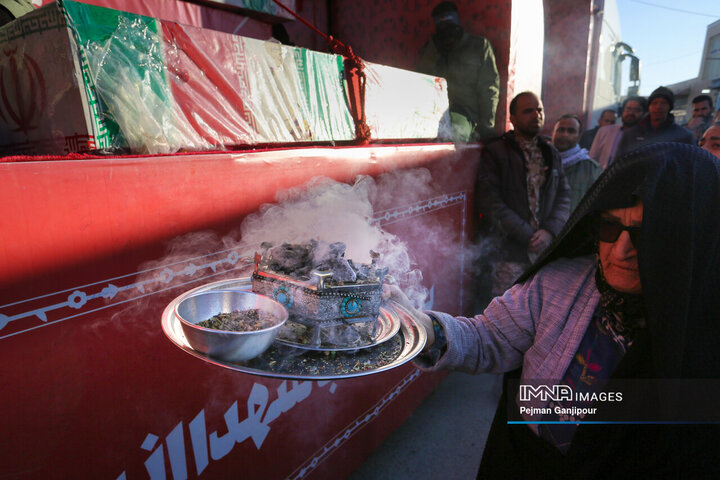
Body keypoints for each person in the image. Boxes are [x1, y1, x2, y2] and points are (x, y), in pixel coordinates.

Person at [387, 142, 720, 477]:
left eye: (645, 235)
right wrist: (425, 329)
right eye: (609, 226)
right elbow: (489, 336)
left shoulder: (707, 328)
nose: (621, 250)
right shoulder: (561, 281)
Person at [476, 91, 570, 296]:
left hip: (544, 253)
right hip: (510, 253)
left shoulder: (550, 152)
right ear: (513, 118)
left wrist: (549, 231)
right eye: (528, 111)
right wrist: (528, 235)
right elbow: (490, 201)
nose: (536, 115)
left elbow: (563, 196)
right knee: (506, 314)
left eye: (540, 110)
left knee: (538, 310)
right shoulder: (497, 151)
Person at [416, 1, 499, 142]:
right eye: (443, 31)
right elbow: (420, 83)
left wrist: (486, 127)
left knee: (450, 135)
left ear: (458, 27)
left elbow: (489, 89)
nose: (448, 36)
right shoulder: (430, 50)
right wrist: (433, 51)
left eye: (451, 29)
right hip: (431, 113)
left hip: (464, 115)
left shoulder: (478, 47)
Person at [615, 86, 694, 158]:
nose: (658, 107)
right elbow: (618, 162)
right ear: (649, 107)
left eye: (663, 103)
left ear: (669, 107)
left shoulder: (684, 136)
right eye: (654, 103)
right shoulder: (631, 134)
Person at [552, 114, 602, 212]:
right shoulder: (540, 161)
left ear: (579, 137)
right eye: (561, 130)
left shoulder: (592, 170)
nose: (564, 134)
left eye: (571, 131)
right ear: (553, 133)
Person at [589, 96, 646, 169]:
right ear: (623, 111)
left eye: (637, 110)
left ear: (644, 114)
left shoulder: (645, 136)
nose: (631, 113)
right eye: (628, 109)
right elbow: (592, 158)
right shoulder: (604, 131)